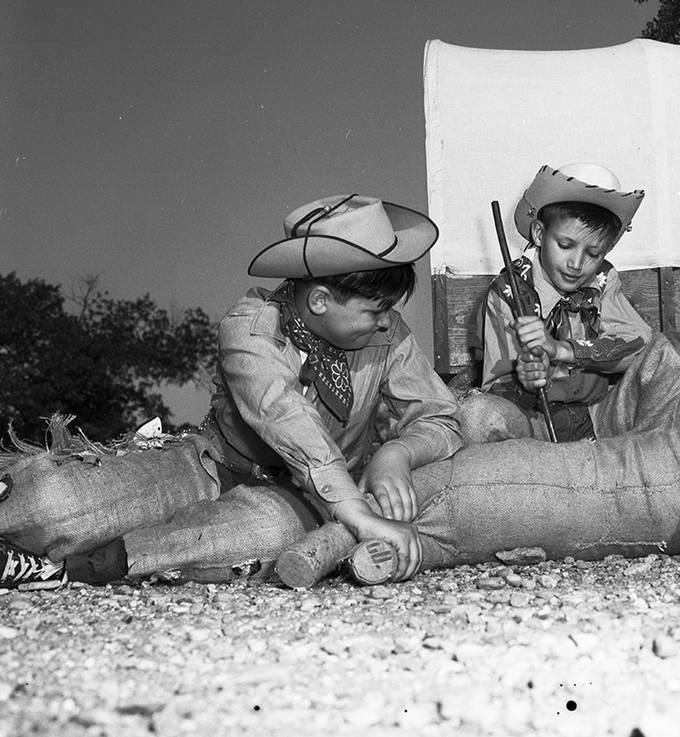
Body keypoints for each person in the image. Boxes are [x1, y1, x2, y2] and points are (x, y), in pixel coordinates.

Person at [0, 193, 461, 588]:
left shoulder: (390, 336)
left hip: (300, 498)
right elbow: (288, 419)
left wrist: (396, 453)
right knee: (55, 505)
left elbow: (441, 415)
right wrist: (358, 515)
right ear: (320, 300)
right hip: (212, 466)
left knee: (267, 532)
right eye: (376, 308)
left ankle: (71, 568)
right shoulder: (251, 326)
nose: (387, 320)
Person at [458, 162, 680, 443]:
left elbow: (639, 344)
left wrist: (561, 350)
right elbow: (497, 389)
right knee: (478, 415)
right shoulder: (507, 292)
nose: (577, 264)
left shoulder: (603, 280)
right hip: (537, 430)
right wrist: (527, 382)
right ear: (539, 234)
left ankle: (646, 468)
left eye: (593, 253)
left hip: (601, 422)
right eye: (565, 246)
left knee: (679, 353)